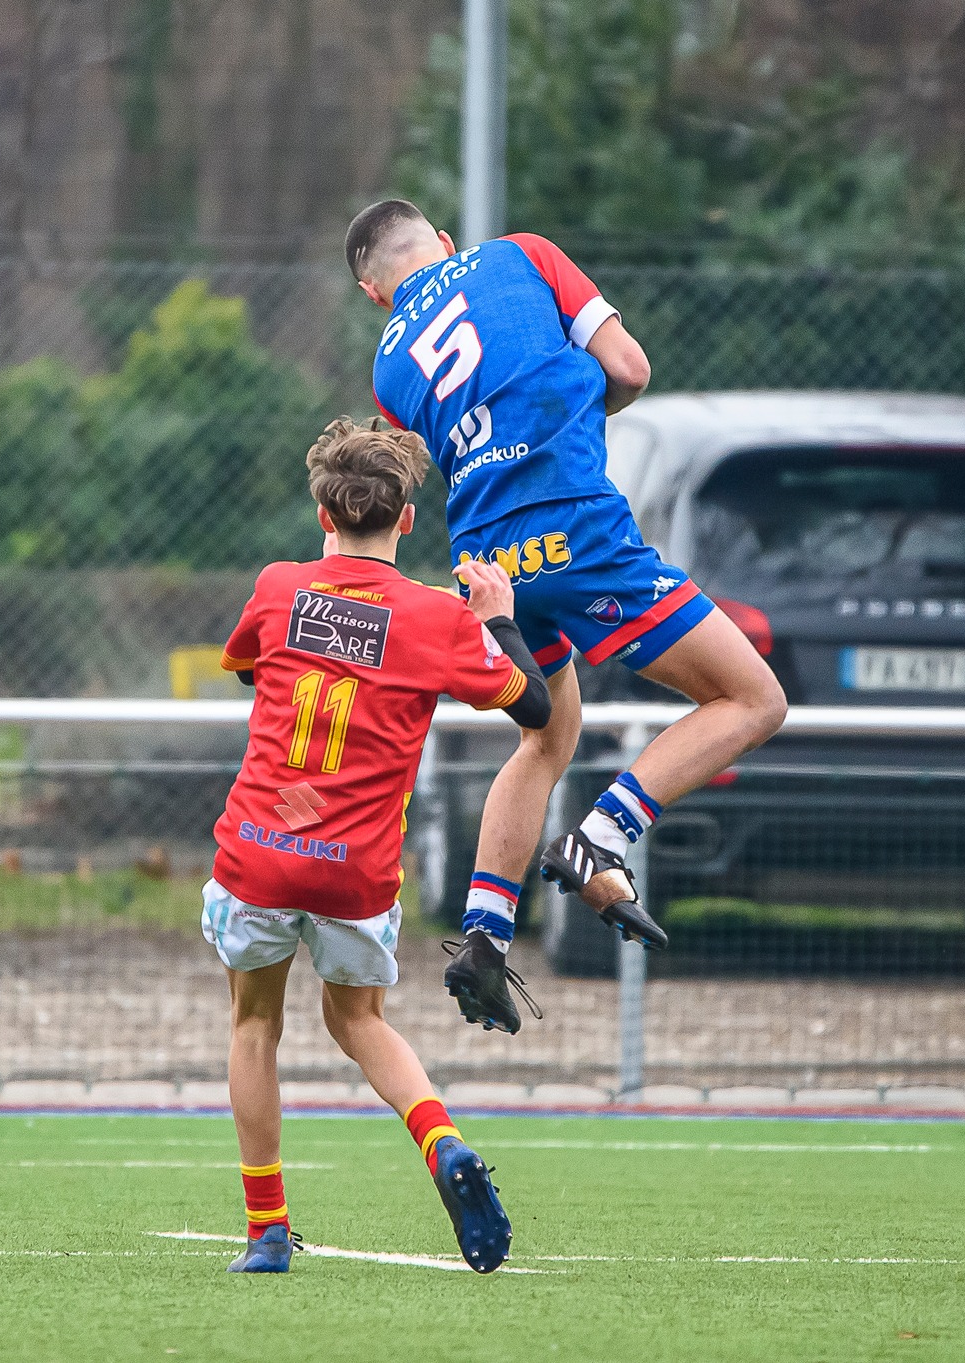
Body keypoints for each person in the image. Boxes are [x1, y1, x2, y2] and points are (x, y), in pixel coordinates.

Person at [343, 199, 787, 1033]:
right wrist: (575, 409)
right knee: (753, 699)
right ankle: (602, 838)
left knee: (546, 737)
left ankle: (483, 934)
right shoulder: (524, 254)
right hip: (574, 527)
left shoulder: (389, 366)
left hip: (488, 561)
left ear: (376, 293)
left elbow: (445, 456)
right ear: (442, 241)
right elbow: (631, 368)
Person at [203, 417, 554, 1275]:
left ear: (324, 515)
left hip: (261, 843)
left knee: (256, 1023)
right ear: (406, 520)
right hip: (357, 868)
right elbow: (535, 709)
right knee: (359, 1020)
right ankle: (443, 1146)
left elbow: (250, 665)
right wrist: (497, 617)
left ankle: (267, 1230)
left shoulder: (280, 585)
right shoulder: (438, 618)